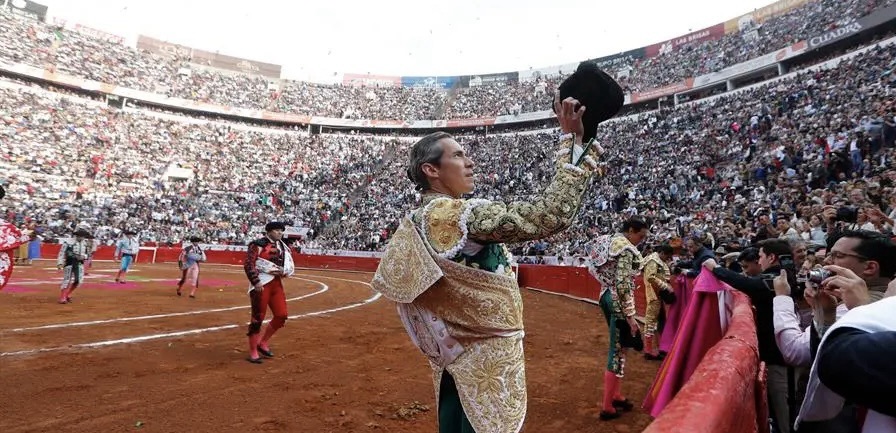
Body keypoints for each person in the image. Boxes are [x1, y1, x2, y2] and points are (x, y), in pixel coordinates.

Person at [371, 71, 622, 433]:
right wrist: (572, 143)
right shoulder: (456, 215)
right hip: (483, 356)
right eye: (457, 156)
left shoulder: (422, 218)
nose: (469, 162)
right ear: (431, 171)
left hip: (456, 354)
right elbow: (548, 215)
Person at [702, 238, 794, 433]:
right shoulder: (784, 277)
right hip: (781, 352)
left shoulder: (778, 279)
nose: (759, 261)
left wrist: (715, 268)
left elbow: (748, 284)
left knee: (782, 409)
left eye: (761, 256)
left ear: (771, 257)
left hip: (779, 356)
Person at [585, 217, 650, 420]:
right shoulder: (626, 248)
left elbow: (591, 268)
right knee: (617, 349)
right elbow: (623, 285)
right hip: (617, 302)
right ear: (631, 230)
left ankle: (616, 394)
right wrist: (631, 317)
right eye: (640, 235)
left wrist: (607, 283)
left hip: (604, 295)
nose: (641, 240)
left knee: (621, 347)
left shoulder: (606, 241)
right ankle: (607, 406)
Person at [244, 222, 295, 364]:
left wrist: (285, 272)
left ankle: (262, 342)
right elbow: (249, 264)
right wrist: (256, 281)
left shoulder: (282, 246)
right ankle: (253, 351)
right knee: (257, 318)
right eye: (277, 230)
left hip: (276, 284)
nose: (280, 233)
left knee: (281, 315)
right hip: (261, 284)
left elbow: (287, 265)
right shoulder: (257, 244)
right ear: (269, 231)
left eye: (281, 231)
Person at [641, 243, 674, 361]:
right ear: (663, 253)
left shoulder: (656, 260)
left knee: (660, 321)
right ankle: (648, 351)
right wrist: (665, 286)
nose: (667, 259)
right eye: (667, 257)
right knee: (650, 321)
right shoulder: (653, 261)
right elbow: (650, 277)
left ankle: (660, 348)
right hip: (654, 294)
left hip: (657, 294)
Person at [57, 229, 91, 304]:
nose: (81, 238)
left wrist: (83, 257)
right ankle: (63, 297)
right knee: (67, 280)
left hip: (79, 263)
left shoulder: (85, 244)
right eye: (80, 236)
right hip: (69, 262)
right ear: (76, 235)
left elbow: (88, 255)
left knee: (78, 281)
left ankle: (67, 294)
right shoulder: (68, 242)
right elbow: (61, 253)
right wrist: (59, 263)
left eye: (83, 236)